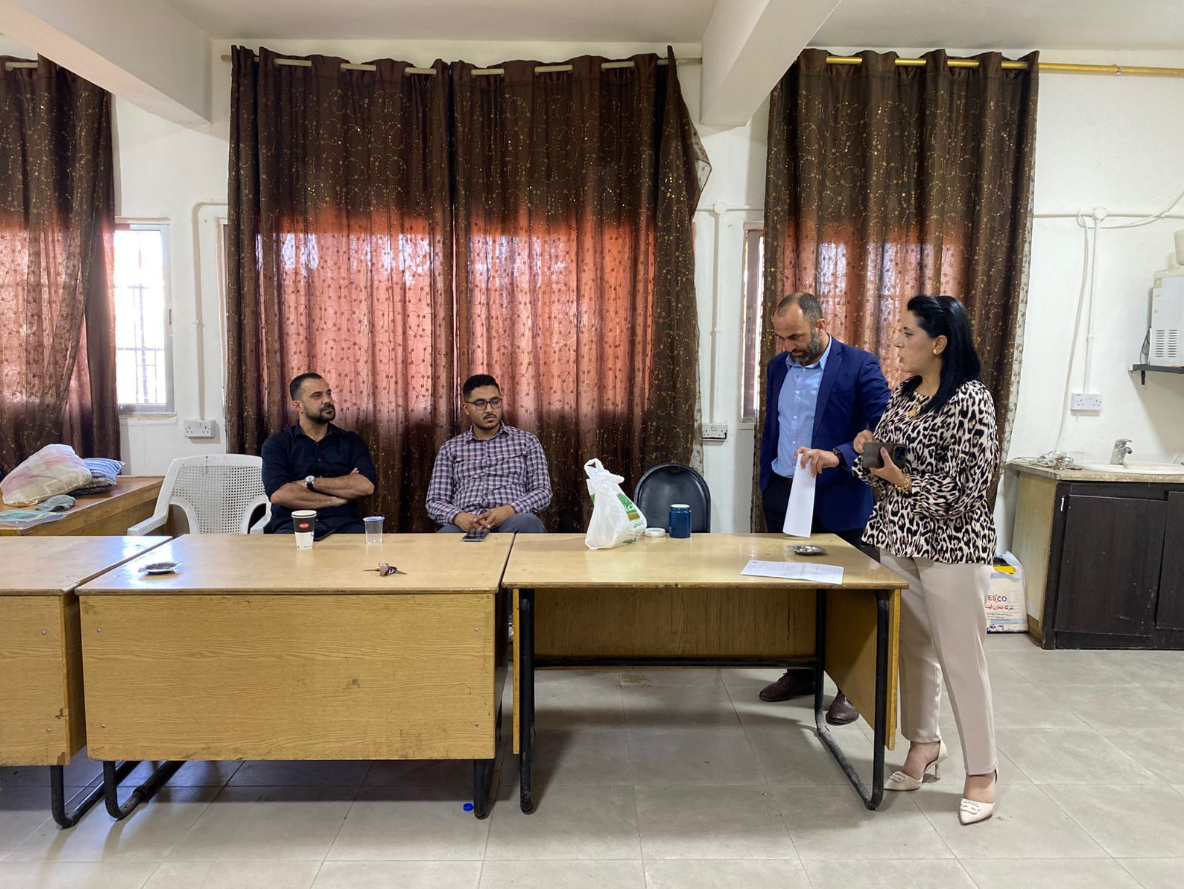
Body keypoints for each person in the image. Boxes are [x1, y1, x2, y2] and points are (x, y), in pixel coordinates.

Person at [852, 294, 1000, 825]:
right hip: (898, 538)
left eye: (907, 333)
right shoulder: (906, 394)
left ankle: (982, 772)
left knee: (961, 659)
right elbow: (884, 470)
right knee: (913, 651)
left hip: (951, 546)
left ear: (939, 343)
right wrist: (869, 454)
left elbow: (967, 489)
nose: (897, 342)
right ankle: (924, 745)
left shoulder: (971, 400)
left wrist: (902, 479)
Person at [757, 292, 891, 726]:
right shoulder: (778, 367)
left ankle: (851, 687)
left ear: (820, 324)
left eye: (796, 337)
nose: (789, 347)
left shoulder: (860, 365)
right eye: (781, 338)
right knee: (795, 592)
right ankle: (802, 672)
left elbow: (888, 432)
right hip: (783, 495)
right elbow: (774, 425)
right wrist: (766, 478)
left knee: (849, 598)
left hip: (839, 497)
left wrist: (840, 455)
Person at [426, 374, 552, 533]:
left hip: (513, 520)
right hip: (466, 525)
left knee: (528, 522)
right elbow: (435, 500)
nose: (490, 409)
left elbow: (542, 492)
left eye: (495, 401)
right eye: (480, 403)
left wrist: (509, 510)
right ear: (466, 408)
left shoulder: (526, 442)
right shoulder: (450, 449)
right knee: (446, 534)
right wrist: (459, 517)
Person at [261, 373, 376, 536]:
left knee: (370, 549)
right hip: (293, 526)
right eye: (317, 396)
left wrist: (309, 483)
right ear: (298, 406)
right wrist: (335, 499)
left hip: (344, 525)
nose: (327, 400)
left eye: (328, 393)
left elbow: (366, 486)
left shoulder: (351, 441)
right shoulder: (277, 444)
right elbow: (280, 494)